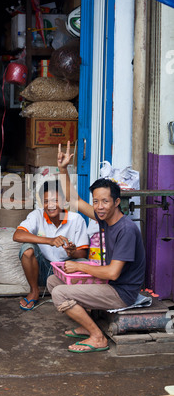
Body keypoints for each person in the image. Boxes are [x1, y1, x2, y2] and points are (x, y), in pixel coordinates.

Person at [47, 142, 146, 354]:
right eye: (96, 202)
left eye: (105, 201)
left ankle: (98, 337)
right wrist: (63, 169)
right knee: (53, 281)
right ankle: (87, 324)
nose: (99, 207)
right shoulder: (105, 219)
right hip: (109, 283)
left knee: (60, 294)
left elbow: (112, 272)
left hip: (122, 291)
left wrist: (80, 267)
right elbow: (74, 200)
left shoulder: (126, 230)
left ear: (117, 202)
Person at [13, 149, 89, 311]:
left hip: (65, 271)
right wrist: (49, 241)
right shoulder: (37, 215)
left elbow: (82, 255)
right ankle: (34, 292)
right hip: (42, 270)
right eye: (46, 201)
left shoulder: (77, 220)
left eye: (55, 200)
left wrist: (71, 251)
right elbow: (17, 235)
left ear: (65, 201)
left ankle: (72, 295)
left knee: (83, 263)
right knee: (27, 249)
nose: (51, 205)